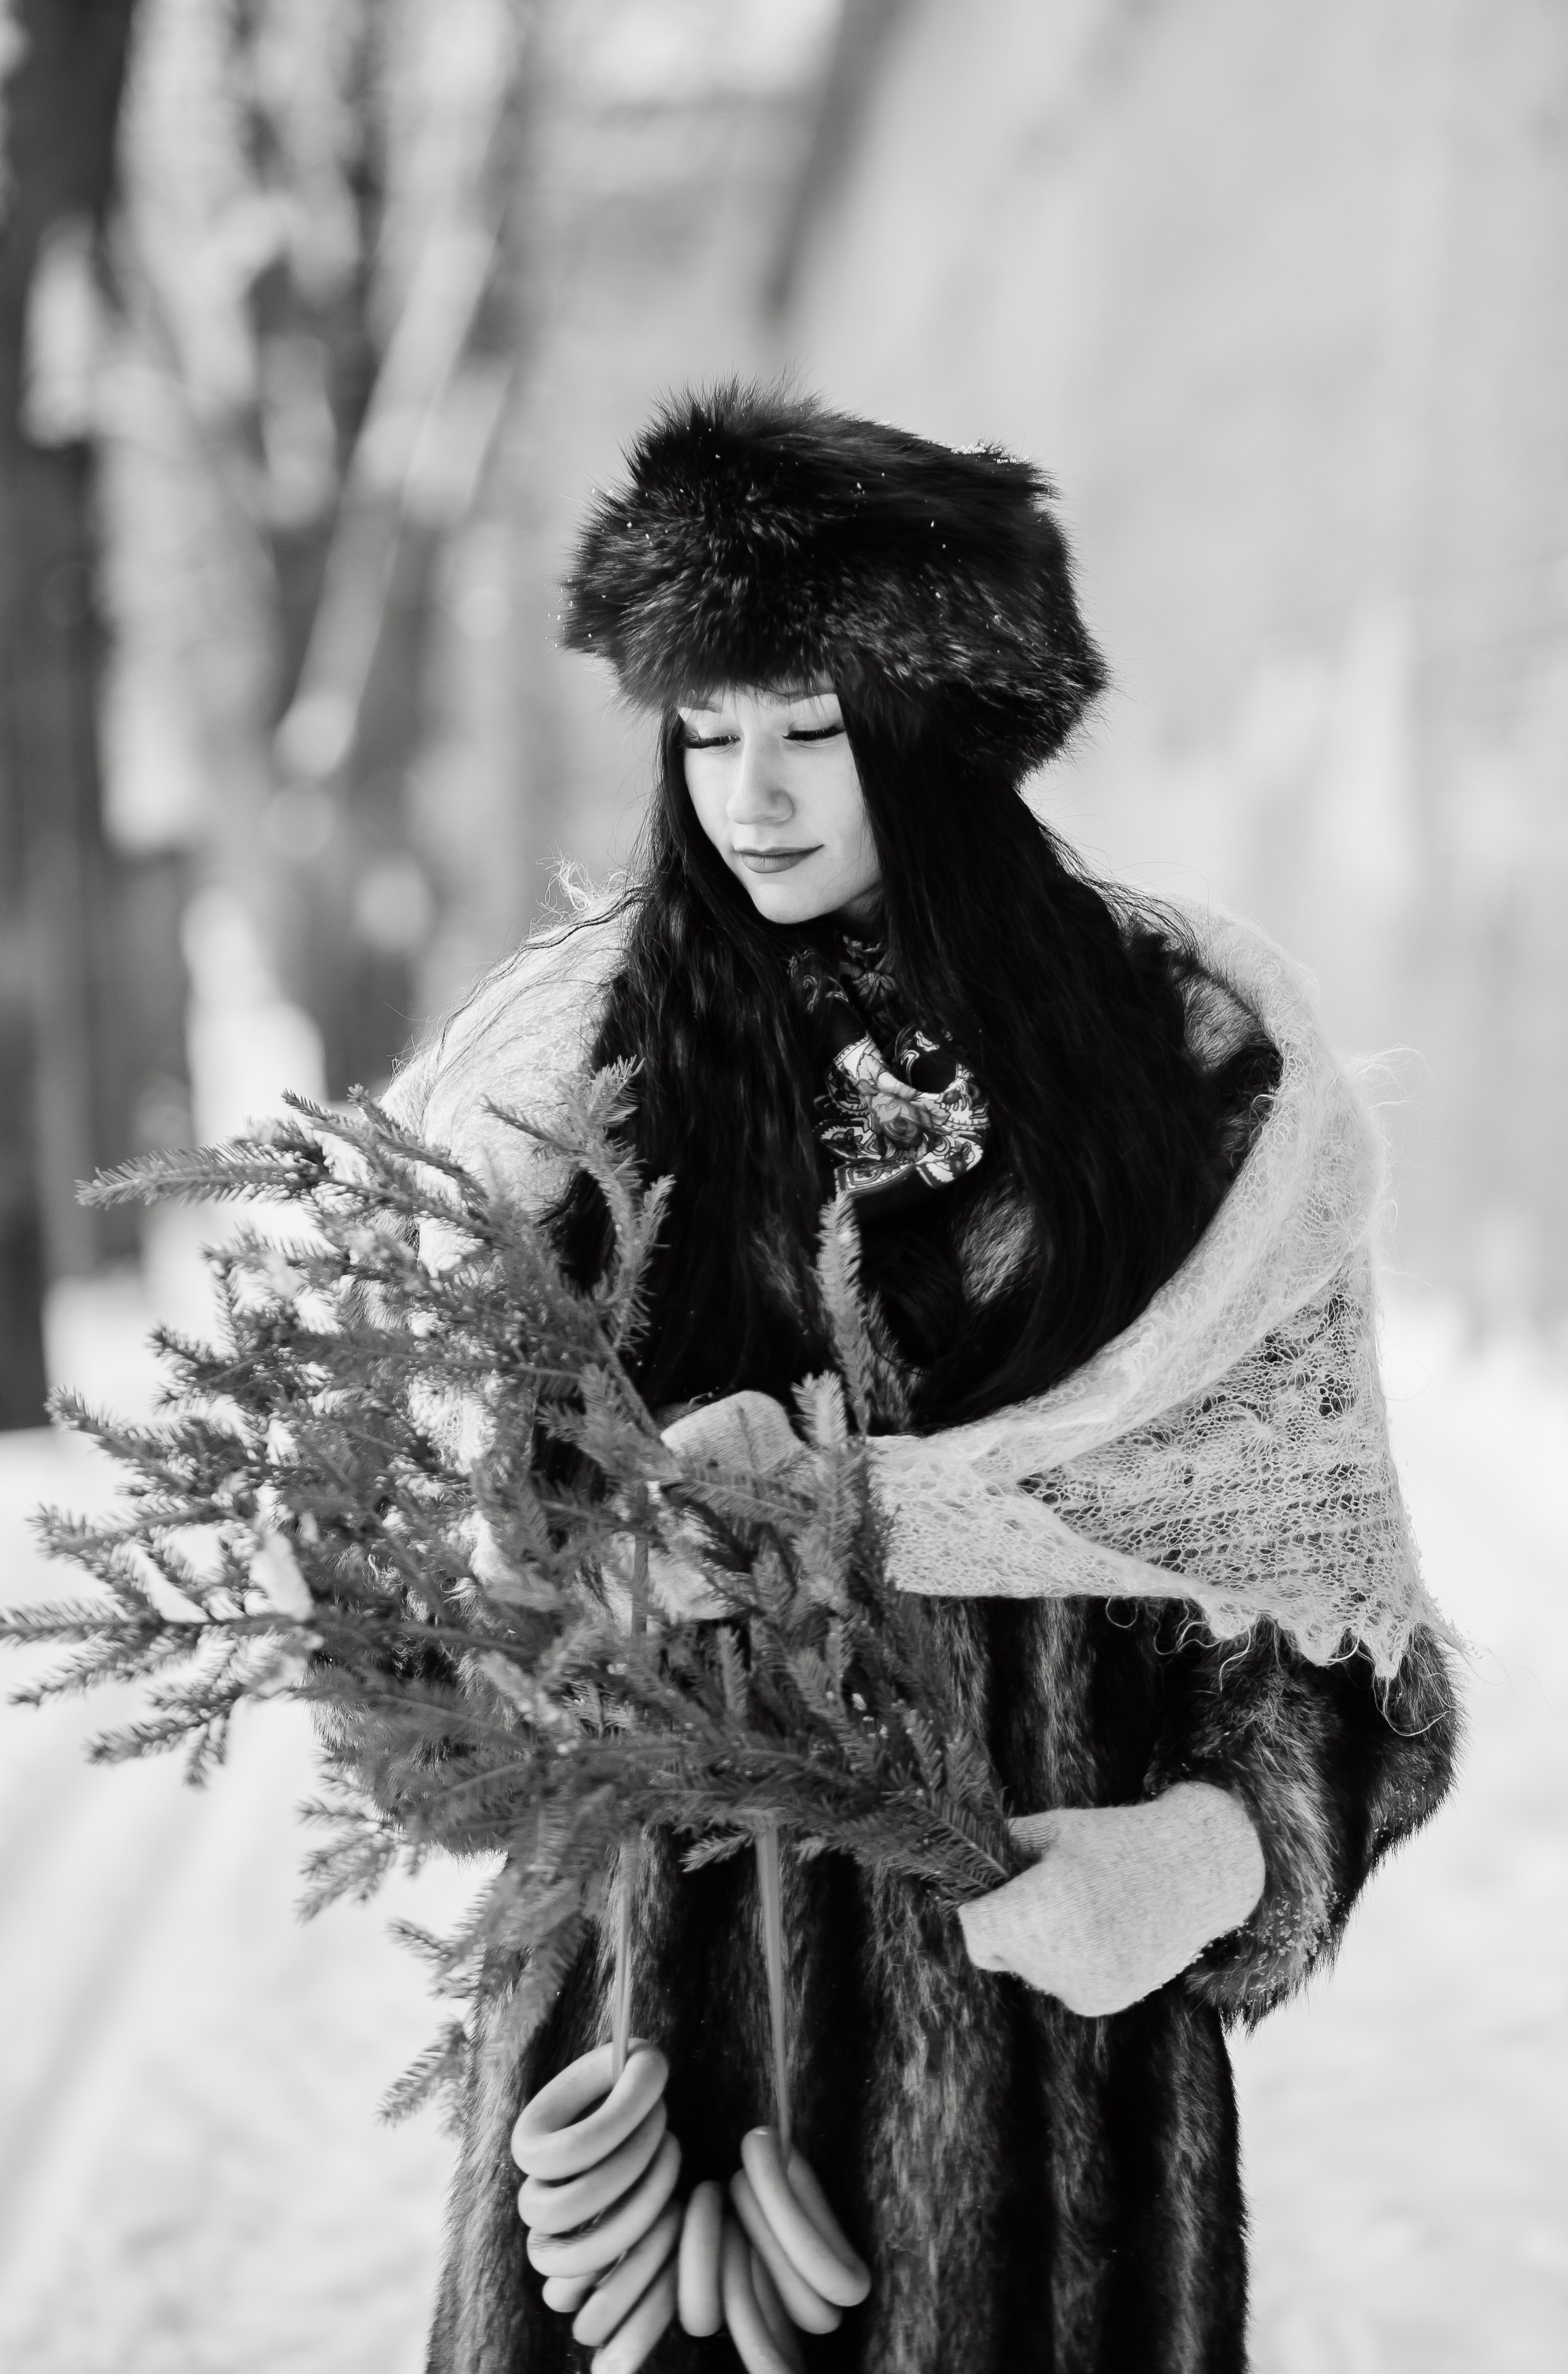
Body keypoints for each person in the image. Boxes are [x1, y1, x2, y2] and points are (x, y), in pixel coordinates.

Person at [393, 385, 1459, 2374]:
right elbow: (495, 1604)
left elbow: (1335, 1633)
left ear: (944, 738)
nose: (751, 794)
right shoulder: (597, 1092)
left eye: (812, 730)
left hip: (1046, 2112)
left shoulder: (1193, 1097)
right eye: (705, 734)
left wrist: (1210, 1856)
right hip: (644, 2083)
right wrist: (634, 1558)